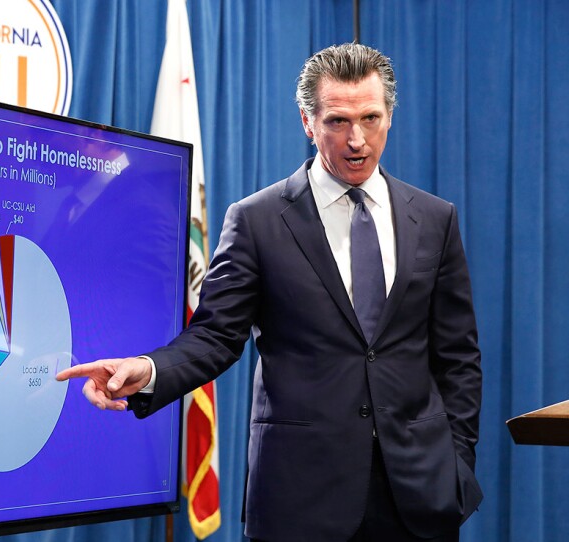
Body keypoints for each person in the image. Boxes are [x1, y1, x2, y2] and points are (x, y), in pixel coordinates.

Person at [56, 43, 482, 542]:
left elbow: (458, 358)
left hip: (420, 498)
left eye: (371, 118)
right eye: (338, 122)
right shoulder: (257, 220)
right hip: (301, 499)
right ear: (308, 121)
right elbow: (215, 335)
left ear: (390, 114)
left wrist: (457, 462)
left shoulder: (434, 218)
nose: (358, 140)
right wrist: (148, 370)